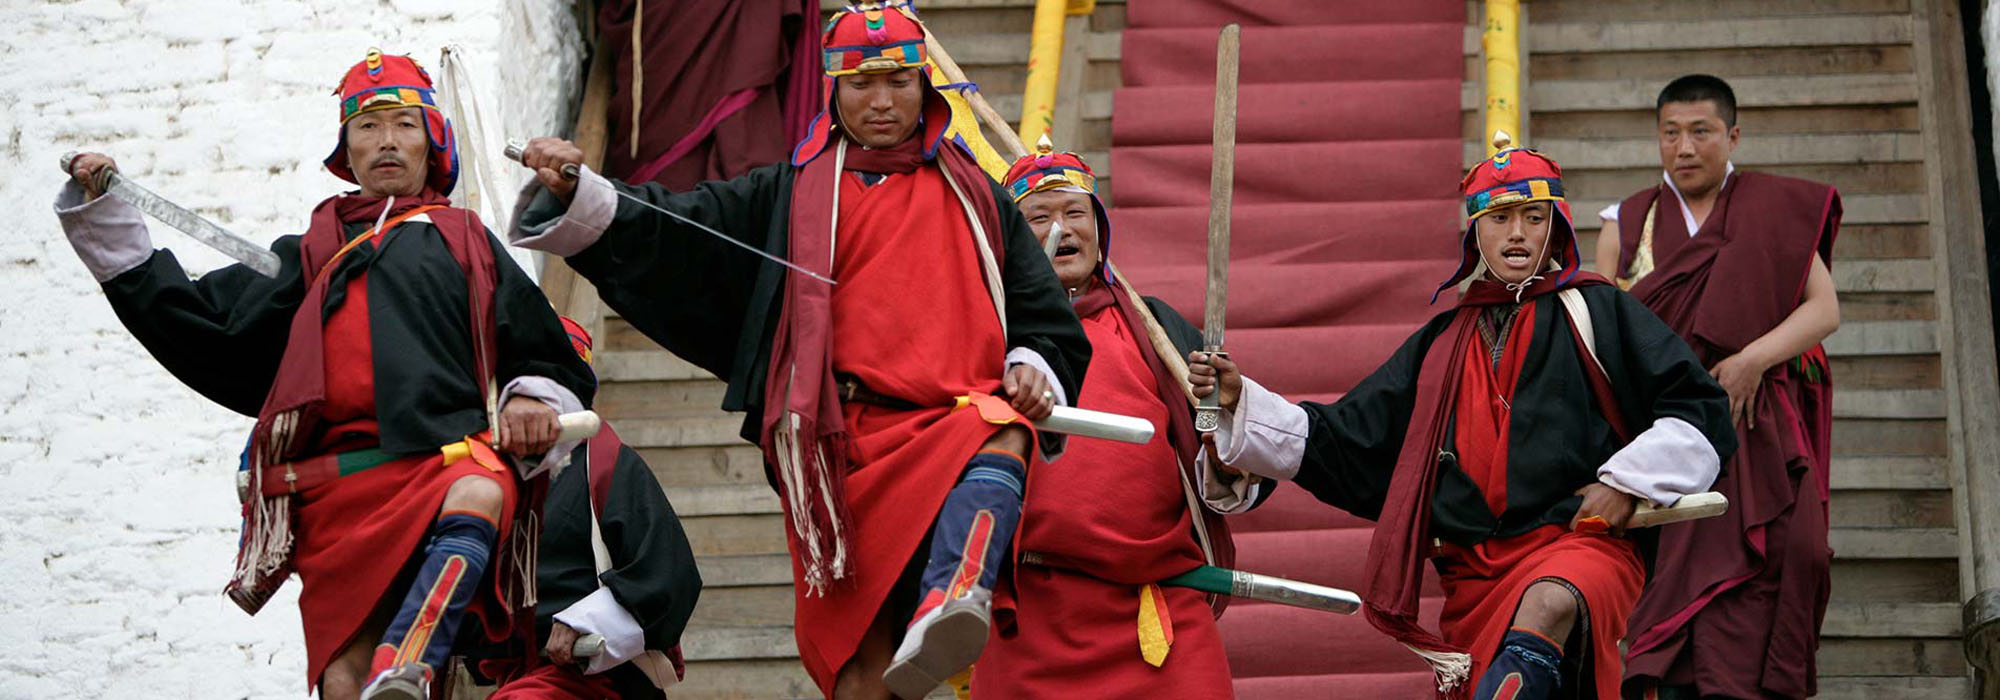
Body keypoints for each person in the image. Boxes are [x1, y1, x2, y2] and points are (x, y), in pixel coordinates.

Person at [507, 4, 1090, 698]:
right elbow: (677, 228)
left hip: (947, 428)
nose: (881, 101)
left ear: (927, 89)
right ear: (832, 91)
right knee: (860, 673)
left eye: (899, 82)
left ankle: (954, 596)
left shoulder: (980, 199)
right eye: (860, 82)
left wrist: (1029, 365)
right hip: (833, 451)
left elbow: (1045, 317)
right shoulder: (783, 193)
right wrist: (578, 190)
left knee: (1001, 432)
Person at [52, 49, 595, 700]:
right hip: (335, 483)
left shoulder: (467, 241)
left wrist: (531, 400)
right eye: (366, 127)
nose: (386, 141)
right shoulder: (312, 253)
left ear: (433, 142)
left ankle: (409, 664)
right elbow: (204, 321)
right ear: (347, 148)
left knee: (481, 491)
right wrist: (107, 211)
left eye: (403, 123)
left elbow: (539, 349)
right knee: (341, 681)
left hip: (442, 459)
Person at [1194, 145, 1735, 700]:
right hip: (1475, 569)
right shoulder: (1440, 341)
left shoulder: (1599, 311)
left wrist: (1625, 481)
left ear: (1559, 226)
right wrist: (1244, 399)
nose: (1517, 234)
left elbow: (1701, 408)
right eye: (1499, 219)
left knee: (1549, 602)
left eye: (1533, 217)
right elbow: (1347, 438)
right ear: (1476, 232)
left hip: (1581, 542)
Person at [966, 138, 1259, 697]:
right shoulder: (984, 333)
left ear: (1101, 231)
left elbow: (1222, 465)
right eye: (1039, 217)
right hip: (1030, 608)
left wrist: (1224, 413)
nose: (1064, 229)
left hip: (1154, 604)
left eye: (1077, 213)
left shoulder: (1153, 327)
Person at [1594, 74, 1842, 700]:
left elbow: (1824, 310)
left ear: (1732, 135)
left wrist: (1752, 360)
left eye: (1701, 132)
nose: (1684, 148)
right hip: (1668, 435)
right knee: (1675, 587)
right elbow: (1600, 339)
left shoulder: (1771, 212)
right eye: (1670, 133)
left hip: (1758, 423)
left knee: (1794, 557)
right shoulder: (1626, 223)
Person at [481, 317, 703, 700]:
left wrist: (585, 620)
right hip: (519, 677)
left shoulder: (609, 465)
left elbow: (670, 575)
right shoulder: (490, 474)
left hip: (596, 679)